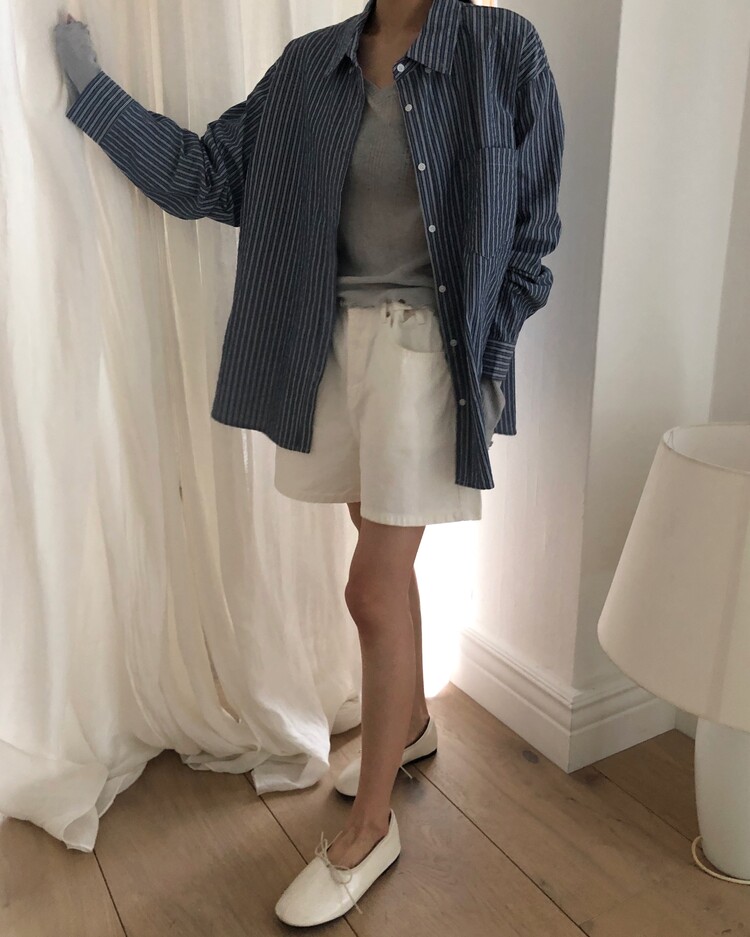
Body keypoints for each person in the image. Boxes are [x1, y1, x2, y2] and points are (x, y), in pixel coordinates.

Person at [54, 0, 564, 926]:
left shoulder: (503, 48)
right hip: (333, 351)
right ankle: (411, 724)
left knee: (369, 589)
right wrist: (93, 92)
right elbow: (206, 177)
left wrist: (489, 365)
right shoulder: (309, 68)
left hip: (431, 356)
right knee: (385, 563)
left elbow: (533, 231)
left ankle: (371, 827)